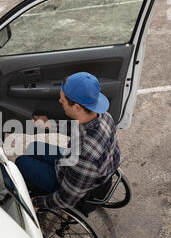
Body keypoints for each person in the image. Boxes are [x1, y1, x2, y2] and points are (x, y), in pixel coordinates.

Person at [15, 72, 120, 211]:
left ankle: (38, 189)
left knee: (21, 161)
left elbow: (65, 200)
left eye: (62, 100)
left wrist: (37, 203)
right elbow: (79, 128)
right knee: (33, 147)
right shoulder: (104, 116)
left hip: (74, 183)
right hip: (78, 164)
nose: (59, 101)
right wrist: (50, 125)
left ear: (77, 107)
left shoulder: (86, 155)